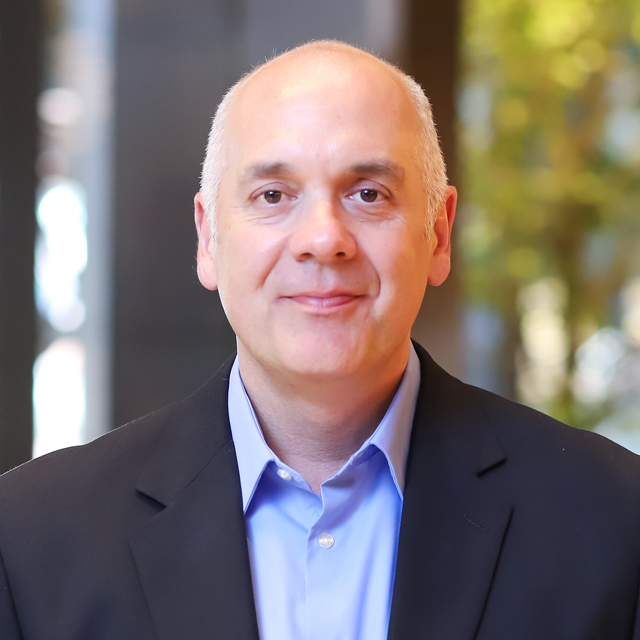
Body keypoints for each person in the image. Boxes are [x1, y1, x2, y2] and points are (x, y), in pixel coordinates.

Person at [1, 39, 640, 640]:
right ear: (207, 238)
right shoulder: (29, 540)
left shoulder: (615, 522)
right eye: (273, 194)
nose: (322, 238)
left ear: (439, 233)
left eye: (368, 193)